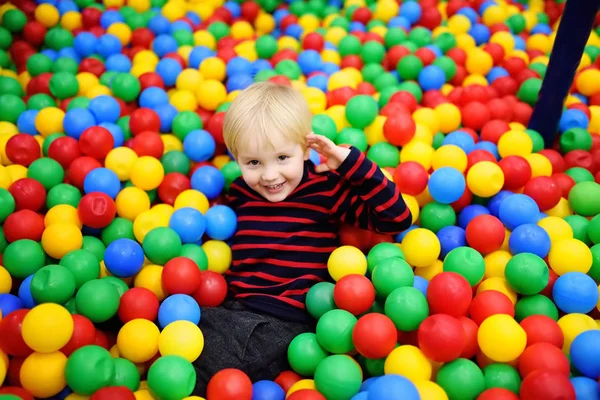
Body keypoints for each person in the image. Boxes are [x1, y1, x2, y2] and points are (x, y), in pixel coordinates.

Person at [192, 81, 412, 395]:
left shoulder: (325, 189)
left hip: (286, 320)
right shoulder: (240, 192)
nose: (269, 176)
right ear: (236, 158)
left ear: (306, 149)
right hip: (233, 308)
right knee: (187, 331)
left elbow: (396, 217)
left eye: (283, 158)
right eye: (253, 162)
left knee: (215, 358)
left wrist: (350, 164)